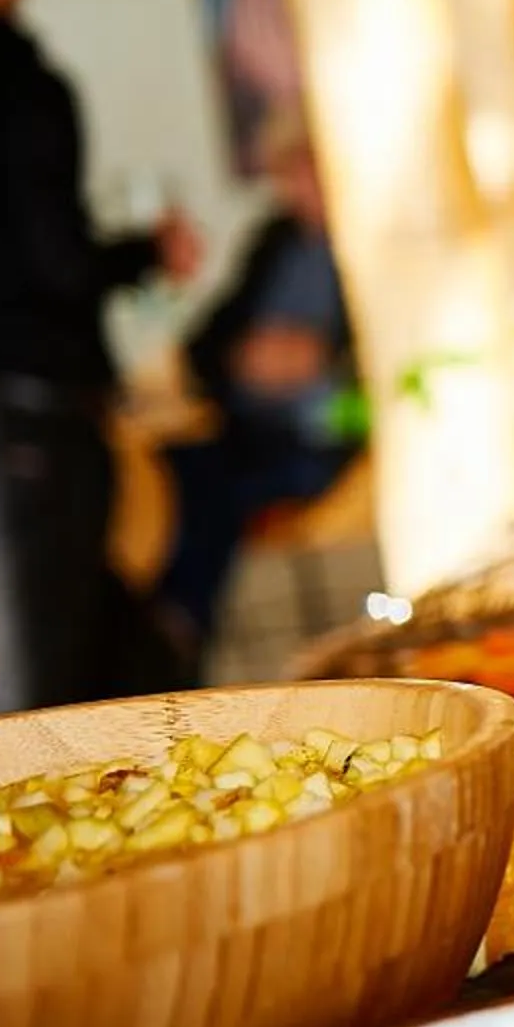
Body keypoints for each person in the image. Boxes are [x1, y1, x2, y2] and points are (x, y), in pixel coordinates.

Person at [0, 0, 197, 708]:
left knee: (123, 662)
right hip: (23, 424)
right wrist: (143, 253)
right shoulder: (20, 85)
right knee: (39, 697)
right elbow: (54, 264)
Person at [159, 120, 362, 666]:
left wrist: (322, 359)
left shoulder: (371, 246)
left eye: (305, 173)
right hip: (246, 425)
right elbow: (204, 341)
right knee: (175, 472)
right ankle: (171, 625)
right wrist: (242, 357)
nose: (294, 190)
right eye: (287, 176)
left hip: (326, 434)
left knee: (218, 488)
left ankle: (182, 632)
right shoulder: (273, 238)